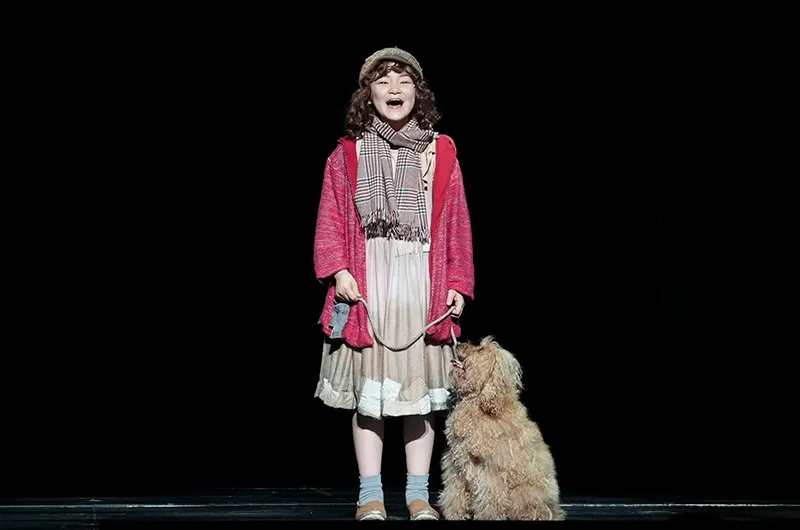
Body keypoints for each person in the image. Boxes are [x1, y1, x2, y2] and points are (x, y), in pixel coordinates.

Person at [312, 47, 475, 521]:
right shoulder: (347, 154)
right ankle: (370, 495)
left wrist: (458, 281)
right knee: (370, 397)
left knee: (419, 397)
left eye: (404, 80)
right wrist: (338, 269)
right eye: (383, 81)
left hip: (421, 285)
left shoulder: (441, 152)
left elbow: (457, 222)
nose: (394, 89)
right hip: (370, 284)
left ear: (418, 92)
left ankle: (418, 494)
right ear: (369, 94)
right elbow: (330, 219)